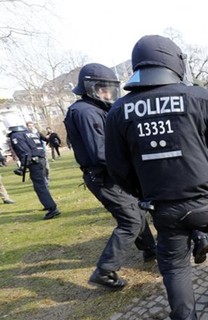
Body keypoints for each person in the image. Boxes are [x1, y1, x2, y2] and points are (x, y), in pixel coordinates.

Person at [105, 35, 208, 320]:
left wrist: (143, 192)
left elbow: (117, 169)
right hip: (206, 203)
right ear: (173, 61)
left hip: (163, 208)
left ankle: (184, 315)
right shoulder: (197, 97)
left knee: (174, 265)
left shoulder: (119, 110)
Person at [64, 63, 157, 290]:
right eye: (103, 89)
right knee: (131, 220)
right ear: (90, 88)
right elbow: (100, 153)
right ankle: (105, 270)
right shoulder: (85, 111)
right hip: (105, 177)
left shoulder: (95, 109)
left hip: (111, 175)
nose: (108, 94)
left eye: (110, 89)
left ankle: (150, 249)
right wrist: (132, 165)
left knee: (138, 210)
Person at [8, 124, 60, 219]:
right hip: (41, 159)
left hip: (34, 163)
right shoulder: (29, 133)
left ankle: (51, 208)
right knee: (42, 184)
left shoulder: (16, 136)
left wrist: (22, 167)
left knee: (39, 186)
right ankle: (48, 204)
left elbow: (25, 152)